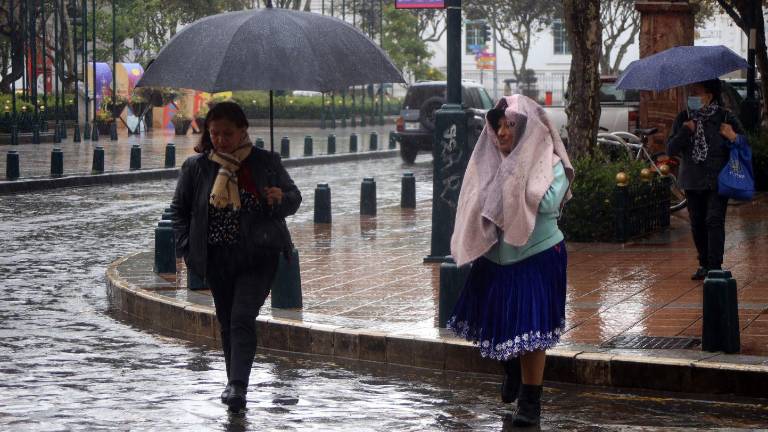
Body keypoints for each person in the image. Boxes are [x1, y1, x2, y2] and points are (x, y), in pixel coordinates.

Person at [448, 94, 574, 427]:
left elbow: (545, 203)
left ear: (528, 130)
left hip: (537, 256)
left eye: (510, 125)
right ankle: (512, 370)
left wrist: (513, 174)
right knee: (497, 323)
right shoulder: (488, 161)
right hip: (494, 259)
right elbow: (472, 201)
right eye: (498, 126)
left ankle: (531, 403)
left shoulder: (552, 164)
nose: (502, 132)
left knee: (531, 330)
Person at [171, 101, 301, 411]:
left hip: (258, 256)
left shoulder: (265, 162)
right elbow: (179, 211)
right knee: (227, 320)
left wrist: (279, 198)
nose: (220, 140)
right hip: (218, 259)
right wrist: (188, 248)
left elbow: (294, 198)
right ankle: (234, 383)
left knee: (242, 316)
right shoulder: (197, 167)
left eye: (227, 133)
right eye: (214, 133)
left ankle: (238, 385)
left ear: (243, 130)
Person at [667, 79, 746, 280]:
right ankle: (703, 263)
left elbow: (745, 144)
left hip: (718, 178)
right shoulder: (683, 118)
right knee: (697, 223)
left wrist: (732, 136)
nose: (691, 96)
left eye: (696, 92)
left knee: (714, 220)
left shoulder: (725, 117)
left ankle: (714, 266)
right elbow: (670, 149)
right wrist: (685, 131)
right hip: (692, 179)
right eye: (690, 92)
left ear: (709, 96)